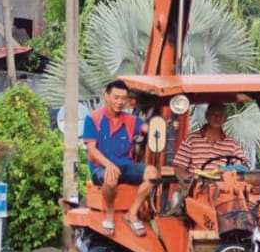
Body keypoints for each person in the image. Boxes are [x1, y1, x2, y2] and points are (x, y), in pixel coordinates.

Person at [83, 80, 157, 237]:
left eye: (123, 98)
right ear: (107, 96)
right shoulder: (93, 119)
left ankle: (132, 213)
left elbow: (150, 129)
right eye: (116, 97)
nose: (120, 102)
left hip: (125, 166)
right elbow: (92, 149)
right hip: (101, 168)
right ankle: (109, 212)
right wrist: (108, 165)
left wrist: (167, 127)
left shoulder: (131, 120)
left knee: (152, 173)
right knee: (110, 176)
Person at [173, 102, 249, 179]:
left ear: (225, 118)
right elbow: (179, 167)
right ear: (207, 116)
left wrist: (226, 170)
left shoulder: (232, 144)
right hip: (196, 187)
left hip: (222, 188)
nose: (217, 118)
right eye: (213, 114)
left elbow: (244, 166)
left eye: (221, 115)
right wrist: (188, 182)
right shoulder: (191, 140)